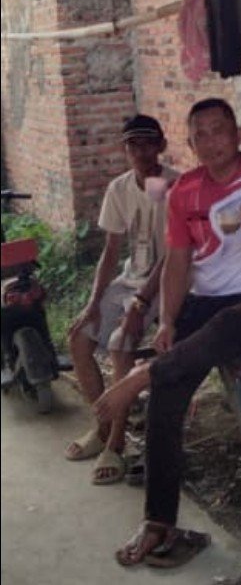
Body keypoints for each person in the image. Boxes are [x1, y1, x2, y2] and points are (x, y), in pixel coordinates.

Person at [93, 98, 241, 567]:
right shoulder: (184, 191)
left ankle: (142, 374)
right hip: (207, 304)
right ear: (191, 144)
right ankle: (159, 522)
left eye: (220, 130)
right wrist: (169, 320)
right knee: (168, 392)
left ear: (238, 135)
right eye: (201, 135)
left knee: (224, 327)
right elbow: (178, 261)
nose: (212, 141)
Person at [64, 114, 177, 485]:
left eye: (148, 144)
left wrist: (140, 306)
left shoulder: (171, 185)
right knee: (78, 337)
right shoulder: (120, 188)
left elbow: (172, 254)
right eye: (133, 145)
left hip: (165, 282)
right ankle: (102, 426)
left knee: (120, 342)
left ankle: (116, 442)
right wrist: (94, 303)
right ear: (124, 149)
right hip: (131, 278)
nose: (141, 152)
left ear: (161, 145)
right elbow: (111, 251)